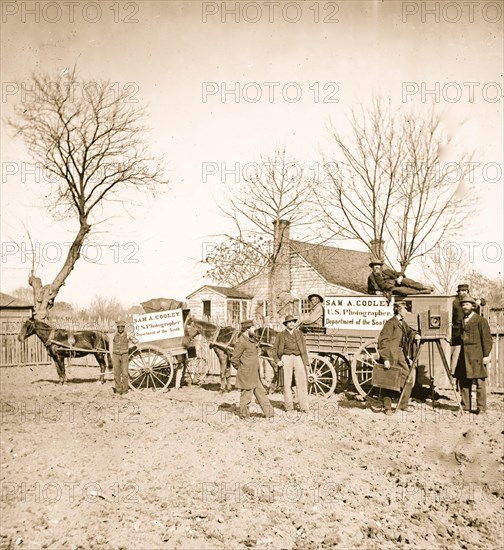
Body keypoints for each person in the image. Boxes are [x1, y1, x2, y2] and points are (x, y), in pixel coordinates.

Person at [377, 301, 421, 415]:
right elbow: (383, 341)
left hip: (400, 354)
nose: (406, 311)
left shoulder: (402, 323)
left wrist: (415, 335)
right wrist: (385, 359)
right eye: (405, 309)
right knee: (389, 380)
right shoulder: (390, 323)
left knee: (408, 377)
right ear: (399, 310)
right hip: (391, 354)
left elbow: (409, 332)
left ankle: (403, 404)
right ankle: (387, 407)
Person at [454, 296, 493, 413]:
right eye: (463, 305)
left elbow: (487, 339)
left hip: (477, 355)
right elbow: (462, 338)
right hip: (464, 356)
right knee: (464, 381)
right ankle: (466, 407)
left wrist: (486, 355)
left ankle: (481, 408)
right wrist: (450, 340)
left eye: (467, 305)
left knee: (480, 383)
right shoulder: (463, 321)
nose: (465, 307)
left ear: (473, 306)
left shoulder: (481, 320)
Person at [231, 320, 274, 420]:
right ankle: (244, 415)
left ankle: (270, 413)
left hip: (254, 373)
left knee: (261, 392)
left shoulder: (250, 339)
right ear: (247, 329)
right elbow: (234, 359)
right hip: (246, 374)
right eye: (252, 328)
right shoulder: (241, 341)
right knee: (246, 395)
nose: (254, 330)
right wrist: (242, 369)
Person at [273, 315, 310, 414]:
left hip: (298, 358)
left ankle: (304, 407)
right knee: (286, 384)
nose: (291, 323)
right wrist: (277, 361)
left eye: (293, 322)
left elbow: (304, 350)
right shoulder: (281, 335)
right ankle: (289, 407)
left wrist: (306, 363)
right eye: (289, 322)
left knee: (301, 382)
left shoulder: (299, 334)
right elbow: (274, 349)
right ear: (286, 324)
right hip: (286, 358)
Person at [451, 284, 486, 372]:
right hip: (457, 332)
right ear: (458, 292)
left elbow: (484, 302)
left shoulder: (470, 301)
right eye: (461, 291)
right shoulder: (454, 302)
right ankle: (452, 374)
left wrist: (479, 301)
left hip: (471, 332)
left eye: (465, 291)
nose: (463, 292)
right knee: (455, 355)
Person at [367, 260, 433, 302]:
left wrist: (400, 277)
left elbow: (398, 273)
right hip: (390, 289)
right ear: (372, 267)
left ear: (381, 267)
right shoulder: (371, 278)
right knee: (402, 290)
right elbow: (369, 291)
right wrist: (375, 292)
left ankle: (424, 287)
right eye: (375, 265)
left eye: (378, 265)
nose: (376, 267)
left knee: (406, 281)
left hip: (396, 282)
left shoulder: (387, 271)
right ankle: (422, 292)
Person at [112, 320, 138, 395]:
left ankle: (124, 390)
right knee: (116, 372)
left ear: (124, 328)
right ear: (117, 328)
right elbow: (111, 345)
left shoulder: (128, 335)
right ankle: (118, 390)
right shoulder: (114, 335)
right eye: (119, 327)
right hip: (115, 355)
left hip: (124, 355)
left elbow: (136, 341)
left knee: (125, 373)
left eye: (122, 327)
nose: (120, 329)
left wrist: (129, 347)